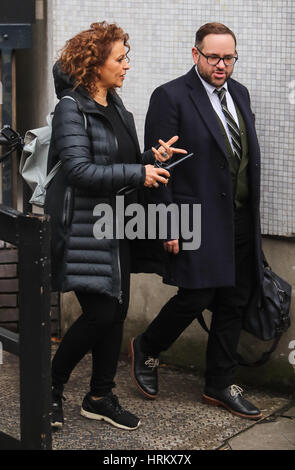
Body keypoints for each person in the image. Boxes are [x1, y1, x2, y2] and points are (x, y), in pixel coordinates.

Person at [45, 21, 186, 431]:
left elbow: (120, 161)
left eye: (127, 57)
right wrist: (138, 172)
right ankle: (49, 389)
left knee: (116, 311)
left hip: (117, 225)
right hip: (85, 230)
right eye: (120, 59)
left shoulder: (116, 104)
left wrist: (150, 158)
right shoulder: (71, 107)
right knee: (100, 313)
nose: (127, 65)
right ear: (95, 64)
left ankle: (100, 396)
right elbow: (78, 169)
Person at [129, 22, 264, 420]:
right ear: (195, 55)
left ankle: (219, 384)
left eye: (229, 58)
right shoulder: (170, 97)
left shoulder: (238, 94)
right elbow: (157, 165)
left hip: (239, 218)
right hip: (194, 217)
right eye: (214, 57)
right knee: (197, 295)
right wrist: (168, 222)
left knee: (234, 299)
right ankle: (148, 346)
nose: (222, 65)